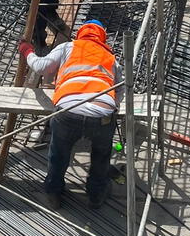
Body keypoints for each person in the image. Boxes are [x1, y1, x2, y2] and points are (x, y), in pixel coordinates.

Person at [19, 19, 123, 210]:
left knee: (59, 154)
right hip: (102, 113)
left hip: (68, 110)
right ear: (102, 37)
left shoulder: (69, 46)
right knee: (101, 157)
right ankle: (96, 196)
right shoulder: (111, 58)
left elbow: (42, 67)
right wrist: (111, 107)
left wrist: (27, 51)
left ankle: (53, 193)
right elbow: (121, 89)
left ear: (81, 33)